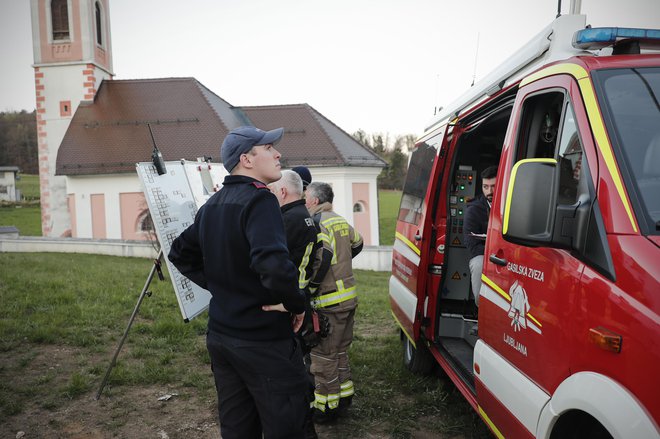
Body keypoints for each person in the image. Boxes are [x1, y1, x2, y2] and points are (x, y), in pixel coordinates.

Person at [168, 126, 310, 439]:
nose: (278, 154)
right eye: (268, 148)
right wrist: (296, 302)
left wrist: (221, 287)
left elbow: (179, 252)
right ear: (246, 159)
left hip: (222, 337)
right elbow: (273, 265)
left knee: (237, 428)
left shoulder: (212, 206)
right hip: (263, 341)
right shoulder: (261, 201)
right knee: (286, 427)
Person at [304, 182, 363, 423]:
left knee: (323, 356)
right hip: (348, 298)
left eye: (306, 197)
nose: (304, 201)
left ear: (315, 201)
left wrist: (311, 288)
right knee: (339, 352)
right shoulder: (338, 219)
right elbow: (358, 243)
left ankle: (327, 408)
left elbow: (325, 255)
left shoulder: (318, 222)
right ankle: (345, 396)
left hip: (329, 301)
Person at [464, 165, 498, 307]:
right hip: (483, 253)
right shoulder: (473, 209)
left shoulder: (515, 205)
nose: (489, 191)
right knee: (478, 265)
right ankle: (481, 309)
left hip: (509, 254)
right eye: (485, 187)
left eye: (493, 186)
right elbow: (470, 241)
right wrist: (491, 254)